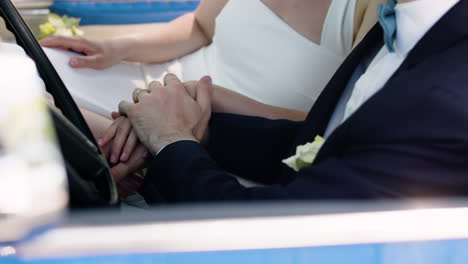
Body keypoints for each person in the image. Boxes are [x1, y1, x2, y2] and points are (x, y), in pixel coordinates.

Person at [115, 0, 468, 201]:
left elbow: (269, 231)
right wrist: (192, 131)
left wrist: (171, 143)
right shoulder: (409, 19)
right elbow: (317, 143)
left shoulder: (445, 104)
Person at [41, 0, 364, 121]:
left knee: (31, 113)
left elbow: (338, 127)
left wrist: (198, 107)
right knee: (19, 67)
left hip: (206, 125)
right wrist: (118, 48)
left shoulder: (368, 9)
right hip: (161, 81)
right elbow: (198, 27)